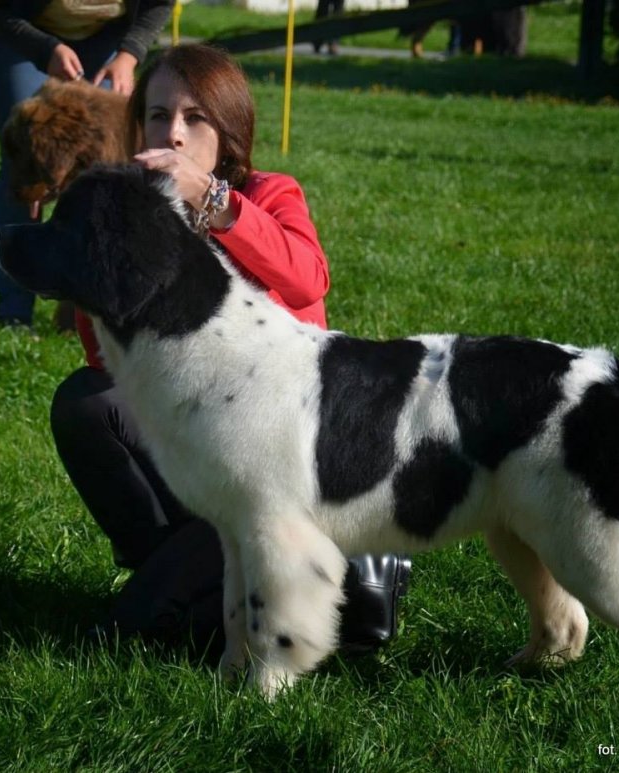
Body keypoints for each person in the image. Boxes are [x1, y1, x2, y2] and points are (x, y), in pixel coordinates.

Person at [50, 44, 410, 657]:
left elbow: (306, 279)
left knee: (145, 626)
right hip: (202, 450)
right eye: (159, 116)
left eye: (196, 119)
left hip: (277, 448)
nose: (175, 134)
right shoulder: (138, 206)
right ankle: (190, 574)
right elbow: (102, 358)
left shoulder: (270, 195)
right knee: (86, 403)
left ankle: (320, 566)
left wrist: (213, 203)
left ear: (231, 129)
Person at [0, 0, 174, 327]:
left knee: (105, 176)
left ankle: (82, 312)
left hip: (105, 37)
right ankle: (14, 309)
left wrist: (129, 53)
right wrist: (46, 48)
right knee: (24, 168)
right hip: (20, 31)